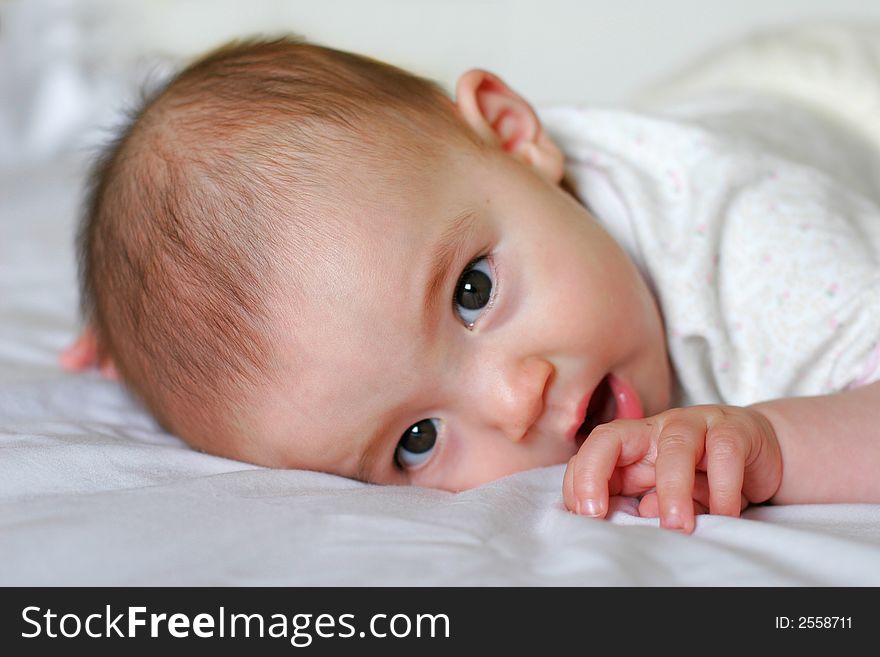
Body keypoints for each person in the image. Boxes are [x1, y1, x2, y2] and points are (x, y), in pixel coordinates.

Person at [61, 35, 880, 534]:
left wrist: (771, 441)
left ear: (516, 136)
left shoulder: (757, 242)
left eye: (472, 293)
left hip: (836, 89)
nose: (516, 402)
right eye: (416, 439)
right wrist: (159, 337)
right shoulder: (466, 201)